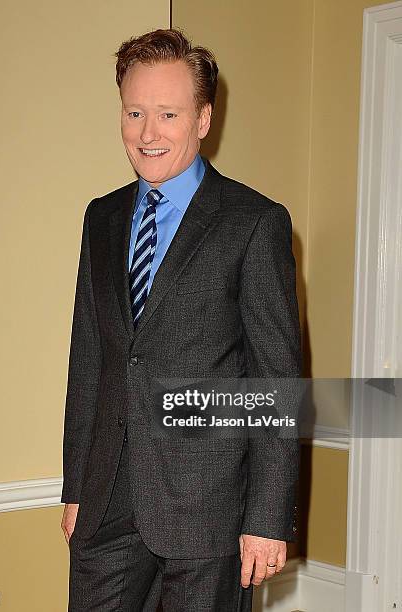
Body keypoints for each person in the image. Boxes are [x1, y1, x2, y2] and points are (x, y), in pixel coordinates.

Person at [60, 28, 301, 612]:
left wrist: (268, 519)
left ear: (203, 119)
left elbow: (275, 382)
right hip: (107, 507)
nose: (148, 132)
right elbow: (89, 357)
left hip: (209, 515)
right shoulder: (102, 218)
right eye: (135, 112)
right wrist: (75, 485)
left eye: (168, 113)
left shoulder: (254, 222)